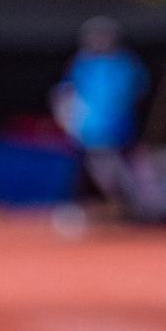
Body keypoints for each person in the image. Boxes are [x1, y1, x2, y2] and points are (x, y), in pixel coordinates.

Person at [53, 17, 151, 220]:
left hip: (118, 131)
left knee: (121, 175)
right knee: (85, 173)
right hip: (87, 132)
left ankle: (130, 211)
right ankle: (82, 209)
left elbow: (137, 92)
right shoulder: (80, 63)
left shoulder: (125, 62)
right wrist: (70, 121)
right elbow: (66, 94)